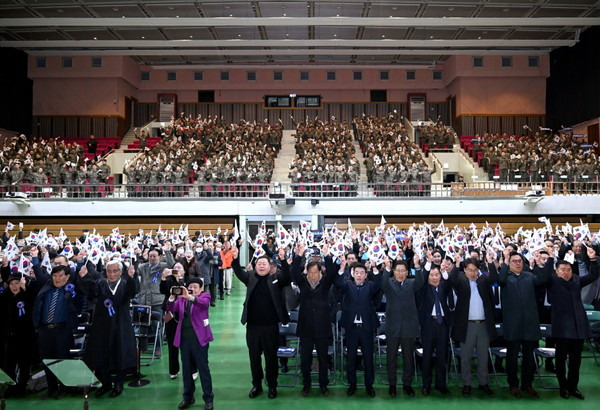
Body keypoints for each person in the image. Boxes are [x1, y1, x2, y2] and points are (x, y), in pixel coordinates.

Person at [231, 245, 290, 399]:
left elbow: (288, 277)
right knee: (254, 358)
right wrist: (235, 258)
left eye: (264, 264)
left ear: (270, 267)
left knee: (271, 358)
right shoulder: (250, 278)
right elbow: (237, 271)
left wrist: (283, 260)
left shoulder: (276, 278)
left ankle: (272, 386)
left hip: (271, 327)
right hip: (253, 327)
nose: (261, 266)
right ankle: (256, 385)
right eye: (259, 264)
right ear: (255, 267)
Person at [79, 259, 137, 397]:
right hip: (102, 326)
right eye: (109, 271)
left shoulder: (124, 284)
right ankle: (105, 384)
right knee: (100, 355)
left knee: (120, 354)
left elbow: (132, 292)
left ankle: (118, 384)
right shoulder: (100, 283)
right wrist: (84, 277)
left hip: (120, 326)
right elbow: (91, 291)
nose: (112, 274)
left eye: (115, 271)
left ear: (121, 272)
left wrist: (130, 277)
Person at [547, 246, 599, 400]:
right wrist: (550, 258)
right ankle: (563, 387)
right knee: (561, 360)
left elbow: (593, 275)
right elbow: (546, 275)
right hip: (562, 329)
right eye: (562, 269)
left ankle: (573, 386)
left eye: (568, 269)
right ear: (557, 271)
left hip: (578, 327)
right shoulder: (553, 281)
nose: (566, 272)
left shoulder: (576, 280)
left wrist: (593, 259)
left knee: (576, 362)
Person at [498, 248, 551, 398]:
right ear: (509, 263)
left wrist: (540, 265)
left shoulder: (529, 276)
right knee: (512, 357)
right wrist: (505, 262)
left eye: (520, 261)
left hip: (529, 323)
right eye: (514, 261)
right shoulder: (506, 277)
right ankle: (513, 384)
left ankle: (527, 384)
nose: (517, 263)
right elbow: (500, 280)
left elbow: (542, 280)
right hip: (512, 324)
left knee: (529, 357)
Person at [447, 254, 498, 397]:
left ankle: (483, 383)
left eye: (475, 270)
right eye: (469, 270)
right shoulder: (461, 281)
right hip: (467, 326)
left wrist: (490, 262)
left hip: (483, 325)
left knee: (483, 356)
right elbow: (452, 279)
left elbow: (494, 278)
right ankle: (467, 384)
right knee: (466, 356)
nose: (472, 273)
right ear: (465, 270)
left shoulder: (483, 280)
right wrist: (457, 264)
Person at [290, 243, 336, 396]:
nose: (313, 275)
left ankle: (324, 385)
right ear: (307, 272)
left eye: (315, 272)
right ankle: (306, 384)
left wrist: (327, 255)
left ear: (320, 272)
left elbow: (333, 273)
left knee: (323, 359)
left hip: (322, 329)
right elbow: (293, 271)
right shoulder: (303, 283)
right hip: (306, 328)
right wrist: (299, 255)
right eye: (310, 272)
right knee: (305, 360)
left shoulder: (325, 283)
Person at [32, 265, 81, 399]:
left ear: (67, 277)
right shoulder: (47, 289)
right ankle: (51, 388)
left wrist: (81, 263)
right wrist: (35, 261)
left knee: (63, 360)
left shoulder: (71, 291)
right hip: (45, 330)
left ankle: (64, 388)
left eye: (60, 275)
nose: (57, 278)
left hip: (62, 330)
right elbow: (40, 276)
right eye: (54, 275)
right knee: (48, 361)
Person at [335, 259, 381, 398]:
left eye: (362, 273)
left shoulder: (371, 285)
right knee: (351, 357)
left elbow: (379, 283)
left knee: (368, 358)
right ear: (352, 274)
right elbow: (338, 282)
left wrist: (374, 267)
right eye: (357, 273)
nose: (359, 275)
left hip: (366, 328)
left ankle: (369, 385)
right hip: (352, 328)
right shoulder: (347, 285)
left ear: (366, 275)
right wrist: (342, 268)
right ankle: (352, 384)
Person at [166, 277, 214, 410]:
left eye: (195, 286)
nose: (193, 288)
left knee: (203, 369)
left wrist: (189, 297)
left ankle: (208, 399)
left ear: (201, 288)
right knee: (186, 370)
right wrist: (171, 297)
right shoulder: (181, 299)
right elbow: (170, 308)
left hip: (199, 340)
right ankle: (188, 397)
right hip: (184, 340)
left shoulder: (205, 296)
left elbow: (203, 304)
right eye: (190, 286)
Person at [417, 265, 452, 396]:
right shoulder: (424, 289)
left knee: (442, 356)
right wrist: (427, 266)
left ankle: (441, 384)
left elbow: (449, 283)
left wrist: (444, 271)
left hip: (442, 324)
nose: (434, 277)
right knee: (427, 357)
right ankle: (426, 385)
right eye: (432, 275)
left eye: (437, 275)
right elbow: (422, 279)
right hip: (428, 325)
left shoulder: (444, 287)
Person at [0, 274, 37, 396]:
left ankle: (22, 387)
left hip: (25, 336)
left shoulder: (27, 295)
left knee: (24, 364)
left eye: (16, 283)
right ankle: (10, 387)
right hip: (10, 337)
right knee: (9, 364)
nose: (14, 286)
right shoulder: (4, 297)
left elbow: (33, 302)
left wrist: (25, 289)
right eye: (11, 284)